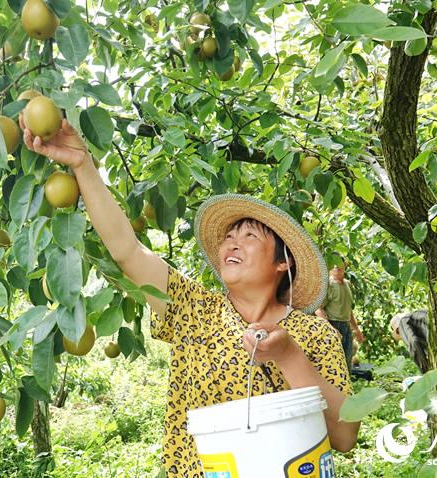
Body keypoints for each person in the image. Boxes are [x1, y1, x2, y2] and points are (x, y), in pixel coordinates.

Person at [19, 118, 360, 477]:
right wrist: (82, 164)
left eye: (249, 237)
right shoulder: (194, 309)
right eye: (228, 236)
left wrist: (289, 356)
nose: (232, 242)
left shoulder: (316, 335)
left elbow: (344, 434)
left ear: (282, 263)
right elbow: (127, 250)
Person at [315, 261, 364, 372]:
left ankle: (346, 388)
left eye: (339, 263)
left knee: (347, 362)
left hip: (345, 326)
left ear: (345, 265)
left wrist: (355, 328)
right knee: (333, 364)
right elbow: (318, 309)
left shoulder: (347, 284)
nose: (336, 266)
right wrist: (330, 329)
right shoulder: (328, 285)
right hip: (333, 324)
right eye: (333, 263)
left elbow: (348, 309)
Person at [389, 309, 430, 374]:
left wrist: (426, 371)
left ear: (397, 330)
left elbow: (414, 343)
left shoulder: (402, 322)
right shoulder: (417, 315)